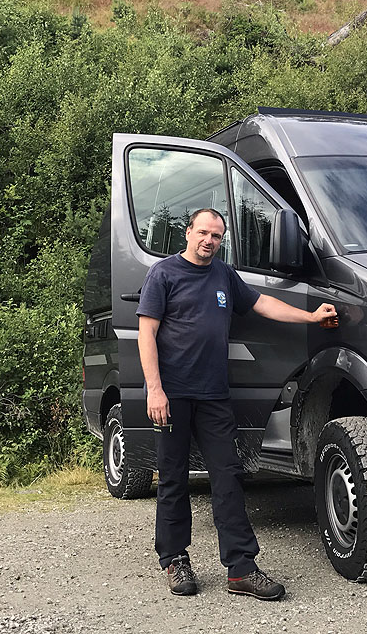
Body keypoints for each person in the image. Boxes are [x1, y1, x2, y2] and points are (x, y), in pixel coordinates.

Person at [137, 207, 337, 601]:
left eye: (217, 236)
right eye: (204, 233)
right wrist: (154, 389)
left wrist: (311, 317)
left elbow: (263, 304)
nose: (210, 241)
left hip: (213, 394)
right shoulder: (163, 274)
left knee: (227, 477)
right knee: (173, 477)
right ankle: (175, 560)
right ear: (188, 232)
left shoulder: (224, 274)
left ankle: (241, 568)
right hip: (173, 393)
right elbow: (147, 333)